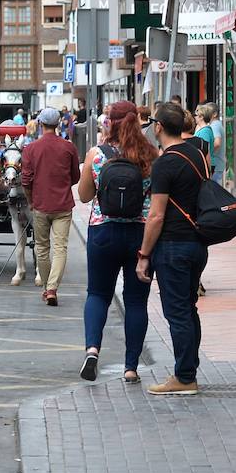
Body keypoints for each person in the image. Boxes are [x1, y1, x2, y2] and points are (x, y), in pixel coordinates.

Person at [76, 100, 156, 383]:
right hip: (139, 234)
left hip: (103, 232)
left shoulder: (97, 154)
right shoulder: (150, 155)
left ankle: (93, 350)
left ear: (110, 123)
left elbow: (85, 196)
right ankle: (131, 367)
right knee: (136, 302)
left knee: (98, 294)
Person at [137, 101, 210, 396]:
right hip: (197, 243)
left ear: (158, 127)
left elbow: (155, 215)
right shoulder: (198, 153)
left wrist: (143, 255)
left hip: (173, 246)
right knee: (188, 309)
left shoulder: (165, 162)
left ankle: (184, 377)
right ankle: (188, 369)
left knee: (177, 312)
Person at [19, 108, 81, 306]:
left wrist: (30, 200)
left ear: (40, 124)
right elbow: (75, 176)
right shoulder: (68, 147)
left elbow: (26, 180)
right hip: (63, 204)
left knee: (42, 247)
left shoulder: (31, 149)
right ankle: (52, 287)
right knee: (60, 247)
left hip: (40, 205)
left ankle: (48, 288)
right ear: (58, 124)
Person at [195, 102, 222, 168]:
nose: (194, 117)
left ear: (201, 117)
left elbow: (206, 150)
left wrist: (208, 169)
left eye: (196, 115)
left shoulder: (205, 131)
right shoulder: (203, 129)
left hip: (206, 164)